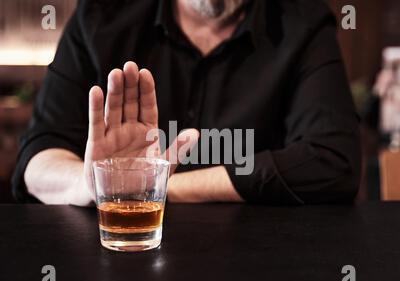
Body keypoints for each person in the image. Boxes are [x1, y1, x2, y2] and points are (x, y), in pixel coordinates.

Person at [12, 0, 361, 205]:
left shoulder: (303, 21)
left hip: (259, 269)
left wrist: (151, 186)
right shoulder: (100, 15)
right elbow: (38, 158)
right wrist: (97, 185)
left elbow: (333, 161)